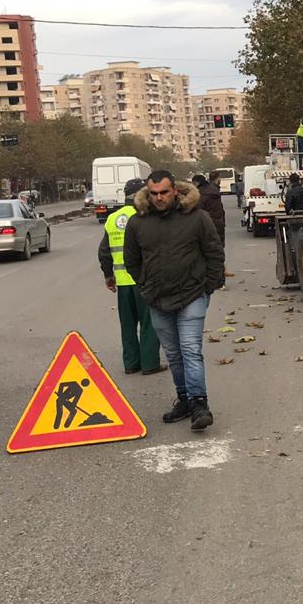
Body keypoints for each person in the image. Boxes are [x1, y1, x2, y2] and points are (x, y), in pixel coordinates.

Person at [124, 170, 226, 432]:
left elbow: (214, 253)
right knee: (174, 355)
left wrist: (209, 287)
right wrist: (147, 287)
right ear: (148, 194)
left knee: (191, 350)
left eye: (164, 192)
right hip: (158, 300)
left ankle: (200, 404)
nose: (159, 198)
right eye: (154, 193)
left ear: (175, 191)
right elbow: (132, 261)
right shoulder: (137, 223)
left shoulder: (197, 218)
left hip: (192, 296)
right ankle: (184, 400)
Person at [98, 177, 164, 376]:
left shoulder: (112, 218)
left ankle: (131, 363)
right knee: (149, 324)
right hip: (144, 280)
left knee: (127, 325)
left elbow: (104, 251)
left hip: (122, 282)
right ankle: (150, 363)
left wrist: (108, 275)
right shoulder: (145, 216)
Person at [191, 173, 227, 246]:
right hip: (219, 223)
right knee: (218, 248)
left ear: (197, 183)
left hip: (207, 227)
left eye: (193, 184)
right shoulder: (214, 190)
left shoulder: (201, 194)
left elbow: (198, 212)